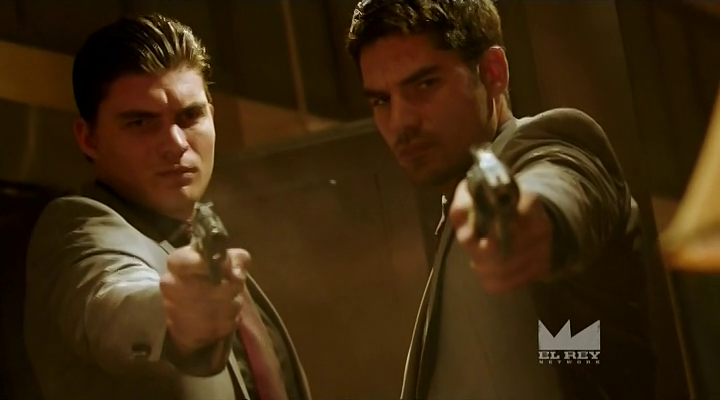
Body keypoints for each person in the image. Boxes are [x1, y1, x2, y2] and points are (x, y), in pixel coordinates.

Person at [346, 1, 655, 399]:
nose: (400, 121)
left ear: (492, 73)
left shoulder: (552, 145)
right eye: (381, 100)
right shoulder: (453, 215)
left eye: (424, 84)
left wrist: (537, 219)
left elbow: (558, 178)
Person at [24, 14, 311, 400]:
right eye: (140, 122)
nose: (175, 143)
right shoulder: (75, 229)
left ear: (212, 115)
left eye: (190, 116)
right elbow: (110, 297)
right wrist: (173, 319)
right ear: (89, 139)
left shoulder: (203, 231)